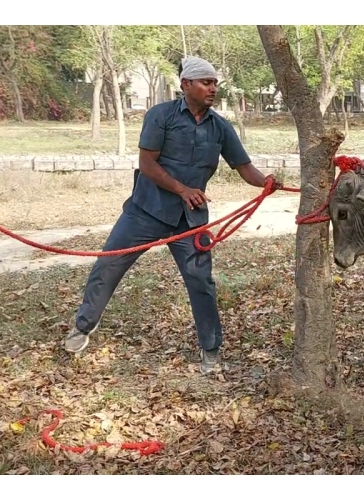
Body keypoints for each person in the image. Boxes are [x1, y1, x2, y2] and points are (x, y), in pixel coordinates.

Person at [64, 56, 267, 375]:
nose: (212, 88)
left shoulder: (220, 127)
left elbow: (245, 169)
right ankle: (83, 326)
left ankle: (211, 348)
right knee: (108, 264)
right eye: (205, 82)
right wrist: (183, 188)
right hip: (145, 210)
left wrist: (269, 183)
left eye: (215, 83)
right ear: (186, 85)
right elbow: (147, 165)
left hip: (190, 219)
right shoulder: (160, 116)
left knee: (201, 282)